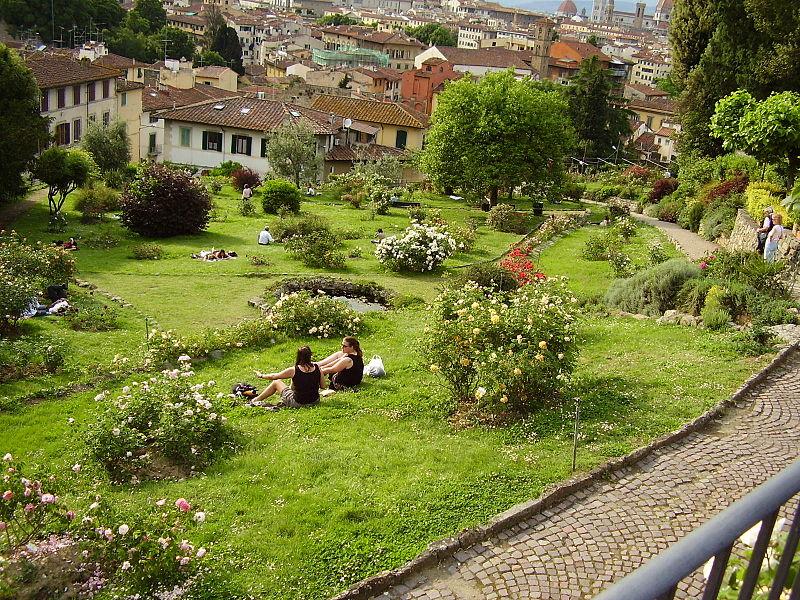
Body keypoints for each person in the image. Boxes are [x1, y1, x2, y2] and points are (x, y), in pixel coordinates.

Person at [252, 346, 326, 408]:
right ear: (310, 355)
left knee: (276, 382)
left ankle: (255, 400)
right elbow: (323, 386)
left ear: (298, 356)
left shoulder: (294, 370)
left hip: (298, 403)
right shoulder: (317, 368)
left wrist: (261, 375)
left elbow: (274, 376)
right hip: (314, 401)